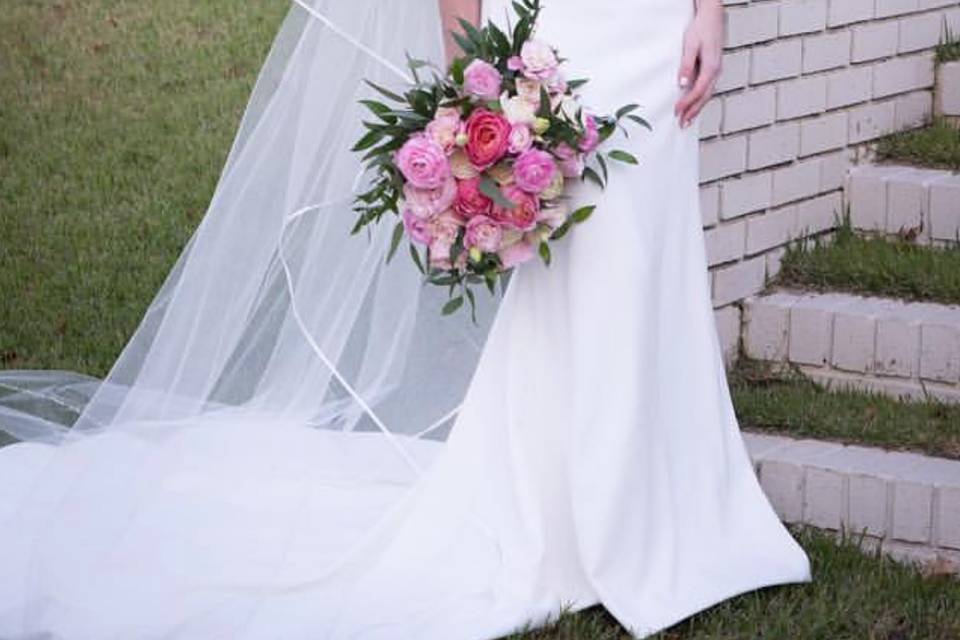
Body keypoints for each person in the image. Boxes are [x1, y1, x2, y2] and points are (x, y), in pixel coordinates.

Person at [0, 1, 811, 638]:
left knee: (647, 260)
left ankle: (656, 502)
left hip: (654, 31)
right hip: (558, 38)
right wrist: (470, 85)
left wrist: (711, 11)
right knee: (591, 269)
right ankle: (574, 511)